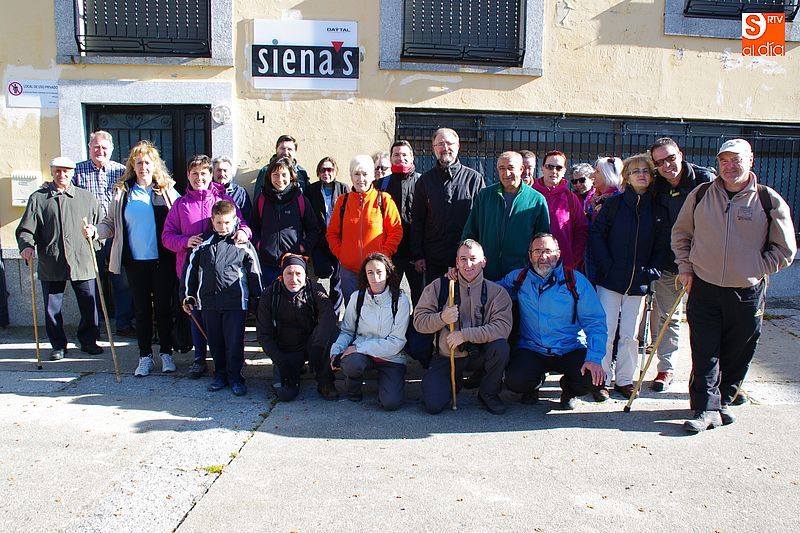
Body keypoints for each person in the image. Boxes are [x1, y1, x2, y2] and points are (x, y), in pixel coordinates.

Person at [672, 138, 796, 432]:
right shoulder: (701, 195)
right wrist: (686, 267)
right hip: (705, 286)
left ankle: (723, 400)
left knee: (739, 350)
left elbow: (785, 249)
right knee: (705, 350)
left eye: (736, 160)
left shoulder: (768, 199)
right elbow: (681, 234)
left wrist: (756, 269)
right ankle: (705, 408)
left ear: (750, 160)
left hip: (747, 291)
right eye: (724, 161)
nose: (729, 166)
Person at [83, 141, 181, 377]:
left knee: (164, 309)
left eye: (147, 162)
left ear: (154, 165)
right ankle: (145, 356)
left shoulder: (166, 190)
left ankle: (166, 353)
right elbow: (110, 224)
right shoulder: (123, 192)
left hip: (163, 260)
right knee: (141, 310)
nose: (143, 167)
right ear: (132, 166)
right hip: (135, 261)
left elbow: (180, 218)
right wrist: (96, 231)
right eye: (139, 163)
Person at [163, 155, 252, 379]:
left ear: (210, 175)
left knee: (220, 321)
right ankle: (199, 358)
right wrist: (185, 241)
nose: (199, 178)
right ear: (188, 176)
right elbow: (167, 236)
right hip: (192, 269)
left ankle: (228, 363)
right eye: (194, 174)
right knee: (197, 314)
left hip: (222, 271)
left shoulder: (222, 198)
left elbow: (242, 224)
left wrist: (243, 232)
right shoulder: (180, 204)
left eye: (203, 173)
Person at [589, 154, 669, 400]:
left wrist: (652, 271)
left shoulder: (656, 210)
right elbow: (597, 236)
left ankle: (624, 380)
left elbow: (662, 244)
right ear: (627, 177)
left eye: (645, 171)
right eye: (635, 171)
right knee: (607, 330)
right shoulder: (614, 205)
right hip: (610, 281)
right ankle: (600, 380)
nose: (641, 175)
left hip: (639, 283)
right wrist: (607, 266)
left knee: (630, 335)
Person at [501, 233, 607, 409]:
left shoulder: (575, 281)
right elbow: (489, 290)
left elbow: (595, 322)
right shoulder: (519, 279)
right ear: (530, 255)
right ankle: (534, 385)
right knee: (515, 381)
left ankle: (569, 389)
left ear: (558, 254)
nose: (543, 256)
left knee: (593, 380)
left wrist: (594, 358)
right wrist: (459, 277)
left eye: (548, 251)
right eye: (537, 251)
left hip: (570, 347)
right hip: (532, 348)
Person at [16, 156, 102, 361]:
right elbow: (26, 230)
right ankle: (58, 345)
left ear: (73, 173)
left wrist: (95, 238)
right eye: (57, 171)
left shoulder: (86, 198)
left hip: (82, 259)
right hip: (51, 260)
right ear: (52, 172)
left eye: (66, 171)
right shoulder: (38, 198)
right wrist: (26, 246)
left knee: (89, 304)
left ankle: (89, 341)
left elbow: (99, 226)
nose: (61, 175)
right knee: (51, 307)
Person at [413, 239, 513, 414]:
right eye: (463, 259)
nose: (468, 264)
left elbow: (503, 328)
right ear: (457, 262)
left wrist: (466, 335)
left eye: (474, 258)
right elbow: (419, 322)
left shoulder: (497, 292)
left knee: (500, 347)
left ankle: (488, 392)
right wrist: (441, 318)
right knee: (433, 405)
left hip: (479, 354)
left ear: (484, 262)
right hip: (447, 356)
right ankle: (454, 381)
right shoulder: (439, 287)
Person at [647, 138, 714, 392]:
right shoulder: (657, 185)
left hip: (702, 265)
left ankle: (707, 374)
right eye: (660, 162)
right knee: (667, 318)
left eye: (671, 158)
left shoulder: (705, 180)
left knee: (704, 320)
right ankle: (667, 368)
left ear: (681, 155)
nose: (667, 165)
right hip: (667, 263)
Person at [182, 200, 262, 396]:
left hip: (235, 303)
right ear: (212, 221)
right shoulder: (202, 246)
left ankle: (236, 377)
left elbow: (255, 274)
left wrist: (257, 299)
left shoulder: (243, 246)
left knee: (234, 342)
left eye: (227, 223)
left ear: (235, 220)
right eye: (219, 223)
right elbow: (190, 273)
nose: (223, 227)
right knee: (215, 342)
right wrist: (188, 296)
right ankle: (220, 374)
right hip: (209, 303)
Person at [330, 253, 411, 411]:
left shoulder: (400, 300)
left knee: (391, 403)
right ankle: (353, 387)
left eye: (379, 272)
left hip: (391, 357)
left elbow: (397, 342)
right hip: (363, 355)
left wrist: (359, 348)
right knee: (351, 362)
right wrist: (336, 351)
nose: (375, 277)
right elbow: (347, 331)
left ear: (388, 273)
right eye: (370, 273)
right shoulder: (357, 298)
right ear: (365, 276)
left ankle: (387, 381)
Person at [72, 130, 134, 337]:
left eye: (104, 148)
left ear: (111, 150)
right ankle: (95, 325)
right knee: (92, 282)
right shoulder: (77, 172)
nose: (100, 151)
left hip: (116, 234)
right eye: (96, 147)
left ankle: (123, 323)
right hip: (88, 235)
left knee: (121, 281)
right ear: (89, 148)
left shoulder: (121, 171)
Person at [256, 253, 339, 401]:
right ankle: (293, 369)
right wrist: (279, 359)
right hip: (286, 350)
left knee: (332, 332)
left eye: (298, 273)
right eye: (289, 273)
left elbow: (329, 319)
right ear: (281, 274)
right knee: (285, 394)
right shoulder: (269, 295)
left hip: (312, 345)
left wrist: (318, 348)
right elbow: (263, 334)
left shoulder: (316, 290)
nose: (293, 279)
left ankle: (325, 380)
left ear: (306, 275)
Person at [410, 128, 485, 284]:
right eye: (440, 144)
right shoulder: (424, 181)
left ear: (458, 146)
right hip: (434, 261)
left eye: (449, 143)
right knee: (436, 303)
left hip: (467, 262)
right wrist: (418, 255)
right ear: (434, 148)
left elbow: (482, 220)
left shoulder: (474, 179)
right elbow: (417, 220)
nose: (445, 148)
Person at [461, 151, 550, 282]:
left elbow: (543, 240)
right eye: (502, 168)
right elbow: (470, 233)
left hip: (520, 276)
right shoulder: (485, 196)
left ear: (521, 169)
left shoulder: (537, 200)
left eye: (510, 168)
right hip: (486, 274)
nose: (506, 173)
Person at [327, 155, 403, 303]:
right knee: (353, 311)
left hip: (376, 271)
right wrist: (342, 254)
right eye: (356, 174)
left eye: (365, 174)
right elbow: (332, 233)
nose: (360, 179)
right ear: (351, 176)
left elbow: (396, 230)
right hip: (349, 272)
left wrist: (383, 255)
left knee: (377, 311)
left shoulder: (384, 199)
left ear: (372, 176)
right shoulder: (343, 201)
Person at [249, 156, 319, 287]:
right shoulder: (261, 200)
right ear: (269, 177)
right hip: (267, 265)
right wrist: (260, 245)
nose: (279, 179)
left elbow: (313, 229)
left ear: (292, 176)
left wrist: (302, 247)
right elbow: (252, 227)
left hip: (293, 266)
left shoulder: (300, 200)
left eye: (283, 174)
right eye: (275, 175)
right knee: (269, 303)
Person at [376, 140, 423, 304]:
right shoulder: (380, 185)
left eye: (404, 155)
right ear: (390, 158)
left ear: (412, 157)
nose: (400, 158)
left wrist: (421, 254)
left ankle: (418, 329)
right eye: (396, 155)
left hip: (417, 254)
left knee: (420, 297)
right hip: (390, 253)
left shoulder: (423, 183)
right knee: (388, 296)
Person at [306, 157, 351, 314]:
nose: (326, 173)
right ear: (318, 172)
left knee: (338, 281)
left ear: (335, 171)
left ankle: (334, 314)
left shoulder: (343, 189)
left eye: (330, 169)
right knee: (323, 270)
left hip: (339, 239)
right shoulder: (312, 190)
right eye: (323, 170)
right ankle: (321, 305)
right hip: (319, 240)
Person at [532, 151, 588, 271]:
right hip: (532, 264)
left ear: (564, 171)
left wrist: (572, 259)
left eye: (558, 167)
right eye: (550, 167)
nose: (554, 171)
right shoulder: (530, 194)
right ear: (542, 168)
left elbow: (581, 230)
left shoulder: (571, 198)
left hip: (562, 266)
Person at [212, 156, 252, 220]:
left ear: (231, 172)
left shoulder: (240, 192)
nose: (222, 174)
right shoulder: (207, 191)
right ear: (213, 172)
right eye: (218, 170)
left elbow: (248, 218)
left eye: (225, 170)